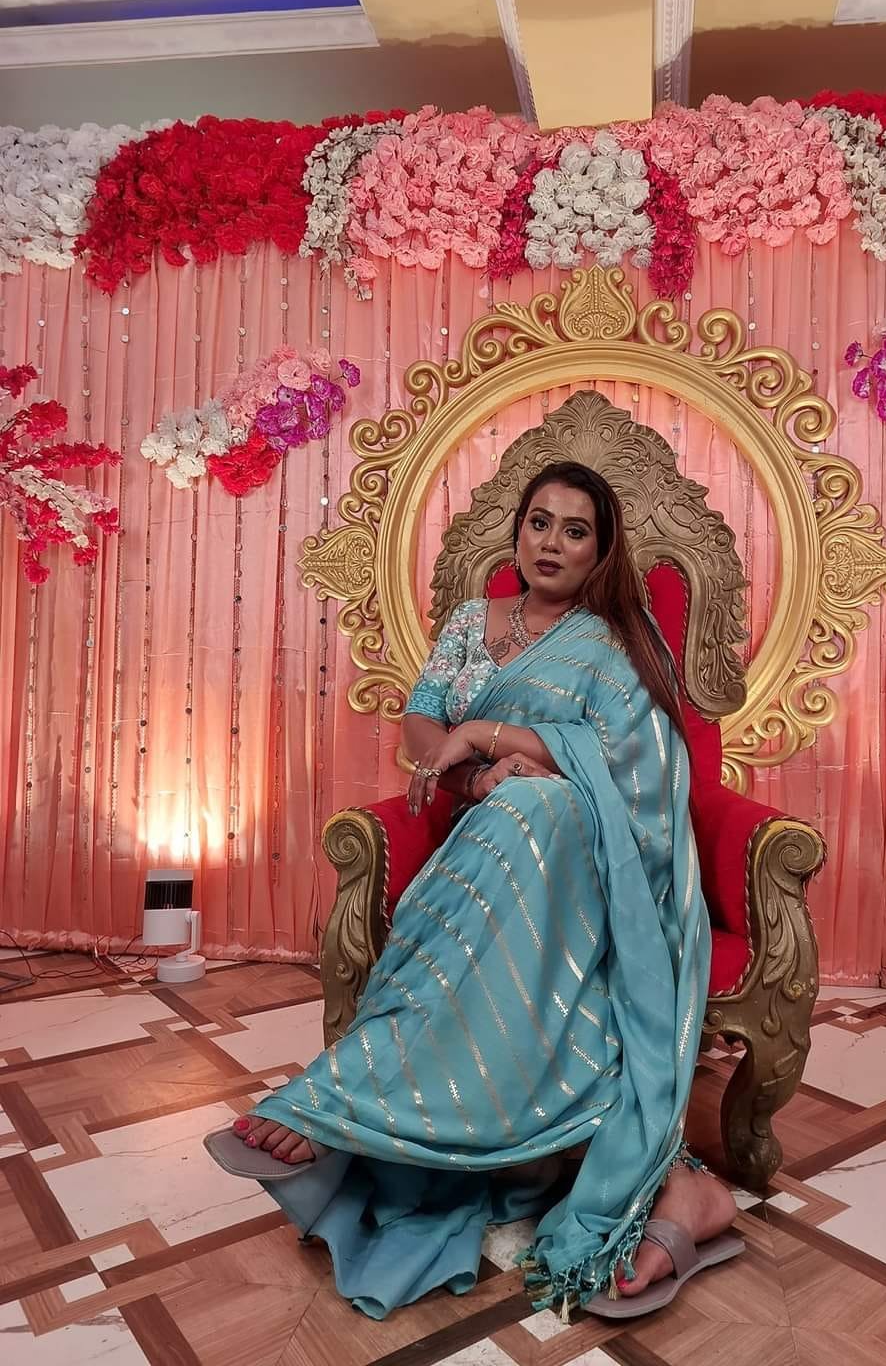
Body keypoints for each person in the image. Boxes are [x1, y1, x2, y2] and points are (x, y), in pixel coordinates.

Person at [204, 460, 742, 1320]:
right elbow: (423, 721)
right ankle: (421, 1102)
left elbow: (640, 764)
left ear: (600, 550)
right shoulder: (468, 622)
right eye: (540, 523)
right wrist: (473, 773)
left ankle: (353, 1091)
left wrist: (501, 739)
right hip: (485, 834)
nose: (552, 543)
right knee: (519, 802)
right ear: (518, 530)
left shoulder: (614, 639)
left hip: (587, 851)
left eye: (575, 531)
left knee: (542, 798)